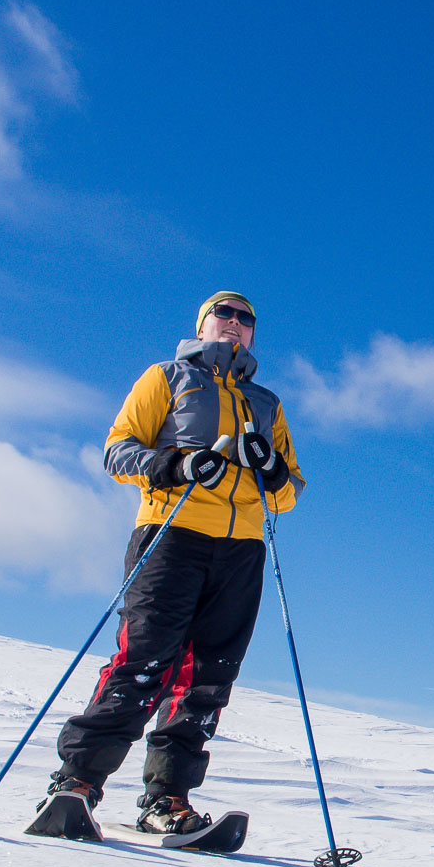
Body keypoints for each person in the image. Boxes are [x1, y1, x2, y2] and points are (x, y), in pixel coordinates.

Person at [32, 291, 303, 838]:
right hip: (171, 531)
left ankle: (168, 800)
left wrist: (271, 468)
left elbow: (290, 491)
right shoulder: (168, 377)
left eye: (245, 318)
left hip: (241, 548)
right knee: (145, 659)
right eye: (222, 314)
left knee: (208, 677)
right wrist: (175, 464)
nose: (233, 324)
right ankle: (77, 783)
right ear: (202, 324)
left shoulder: (266, 403)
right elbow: (117, 449)